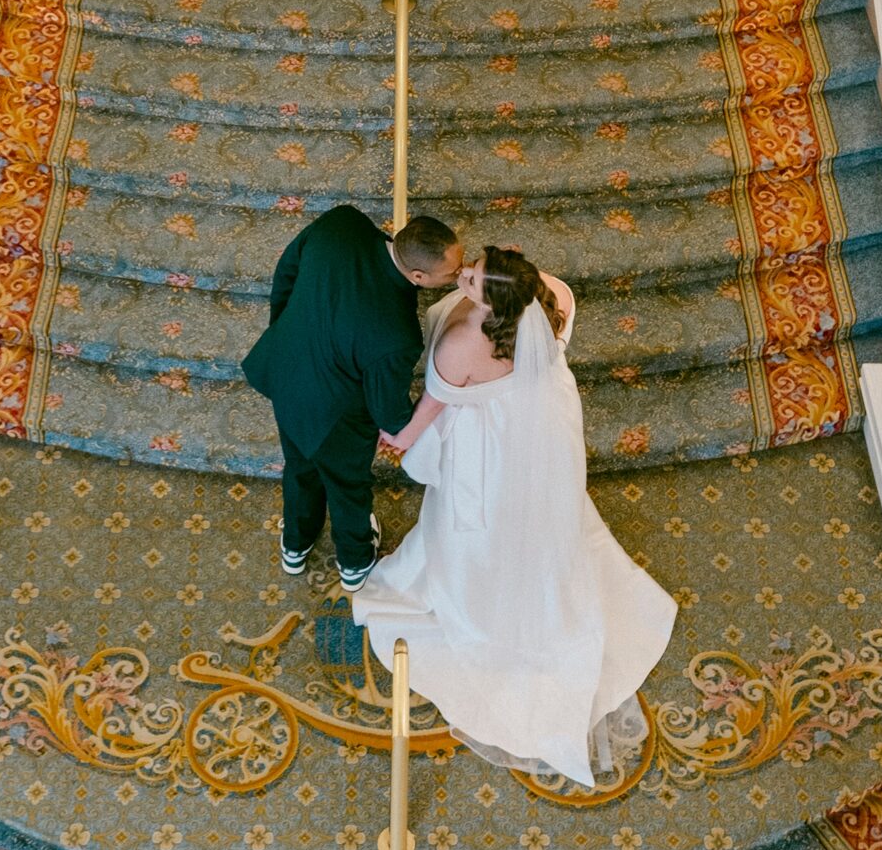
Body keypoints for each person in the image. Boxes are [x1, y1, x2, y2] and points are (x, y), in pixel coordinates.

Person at [354, 244, 677, 789]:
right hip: (539, 431)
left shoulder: (462, 346)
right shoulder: (550, 293)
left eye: (475, 281)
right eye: (475, 266)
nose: (465, 274)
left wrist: (403, 439)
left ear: (497, 307)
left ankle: (476, 599)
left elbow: (435, 403)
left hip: (487, 442)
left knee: (471, 520)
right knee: (531, 516)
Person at [243, 202, 462, 589]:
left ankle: (296, 543)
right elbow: (388, 408)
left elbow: (287, 272)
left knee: (299, 465)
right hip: (336, 416)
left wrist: (286, 332)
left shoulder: (341, 223)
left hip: (285, 374)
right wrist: (398, 429)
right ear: (417, 275)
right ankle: (355, 562)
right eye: (451, 274)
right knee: (347, 486)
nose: (458, 276)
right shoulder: (397, 334)